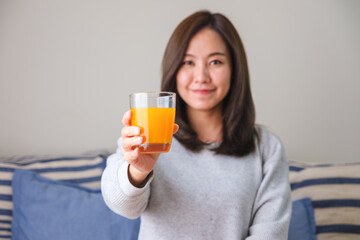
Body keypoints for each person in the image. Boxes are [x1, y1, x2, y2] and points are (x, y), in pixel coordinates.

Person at [101, 10, 291, 240]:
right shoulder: (147, 137)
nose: (201, 76)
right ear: (174, 70)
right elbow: (121, 205)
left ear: (235, 70)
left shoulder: (266, 147)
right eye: (188, 62)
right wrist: (139, 170)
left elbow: (270, 234)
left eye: (215, 62)